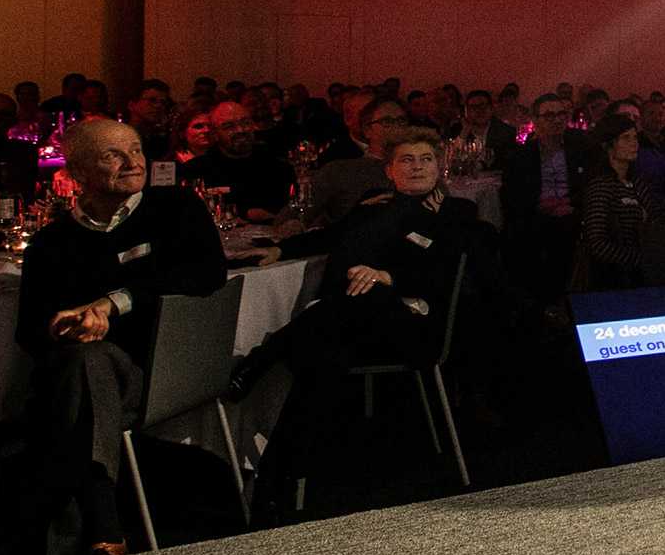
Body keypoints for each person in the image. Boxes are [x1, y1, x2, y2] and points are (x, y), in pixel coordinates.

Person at [234, 125, 533, 519]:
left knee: (366, 289)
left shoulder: (457, 212)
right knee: (323, 358)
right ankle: (276, 484)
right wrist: (280, 249)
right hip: (353, 327)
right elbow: (332, 238)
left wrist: (388, 277)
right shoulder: (372, 204)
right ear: (389, 171)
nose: (417, 167)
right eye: (406, 160)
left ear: (440, 166)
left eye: (426, 159)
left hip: (412, 327)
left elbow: (445, 274)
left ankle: (265, 355)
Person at [6, 120, 225, 555]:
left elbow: (207, 271)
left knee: (84, 373)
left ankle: (89, 527)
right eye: (113, 155)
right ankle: (105, 532)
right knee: (87, 359)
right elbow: (29, 331)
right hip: (84, 376)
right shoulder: (51, 244)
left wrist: (113, 304)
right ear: (79, 175)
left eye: (136, 150)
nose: (133, 162)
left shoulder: (175, 208)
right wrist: (63, 326)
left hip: (154, 374)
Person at [502, 93, 595, 301]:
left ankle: (561, 300)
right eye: (549, 115)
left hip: (572, 213)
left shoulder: (580, 149)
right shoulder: (520, 156)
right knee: (516, 234)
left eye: (561, 114)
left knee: (566, 229)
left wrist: (568, 202)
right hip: (533, 214)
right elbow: (512, 194)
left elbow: (589, 186)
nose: (557, 120)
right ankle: (531, 303)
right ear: (535, 120)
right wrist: (544, 207)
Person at [570, 112, 658, 293]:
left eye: (635, 138)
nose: (634, 144)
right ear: (608, 145)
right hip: (617, 277)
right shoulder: (602, 185)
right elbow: (595, 242)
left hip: (647, 265)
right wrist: (639, 260)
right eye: (626, 138)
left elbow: (657, 216)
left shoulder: (636, 182)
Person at [295, 94, 408, 226]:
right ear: (367, 129)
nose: (397, 127)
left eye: (401, 120)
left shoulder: (422, 168)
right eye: (387, 121)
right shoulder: (340, 171)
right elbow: (297, 213)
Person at [179, 101, 294, 221]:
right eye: (229, 126)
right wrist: (244, 214)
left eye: (246, 123)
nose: (240, 130)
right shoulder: (195, 172)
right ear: (215, 134)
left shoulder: (278, 168)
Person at [126, 80, 176, 164]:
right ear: (132, 105)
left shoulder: (160, 141)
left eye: (163, 102)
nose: (158, 106)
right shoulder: (122, 139)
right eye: (152, 100)